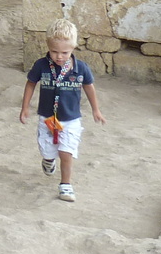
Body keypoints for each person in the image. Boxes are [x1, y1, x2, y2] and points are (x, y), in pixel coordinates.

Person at [19, 18, 105, 203]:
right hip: (47, 118)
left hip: (71, 119)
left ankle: (65, 184)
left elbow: (89, 87)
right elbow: (31, 83)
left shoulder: (81, 68)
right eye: (54, 52)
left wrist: (96, 110)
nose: (59, 57)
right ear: (48, 47)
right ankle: (48, 159)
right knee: (48, 151)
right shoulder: (41, 65)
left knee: (66, 152)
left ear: (73, 47)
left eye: (65, 52)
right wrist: (25, 107)